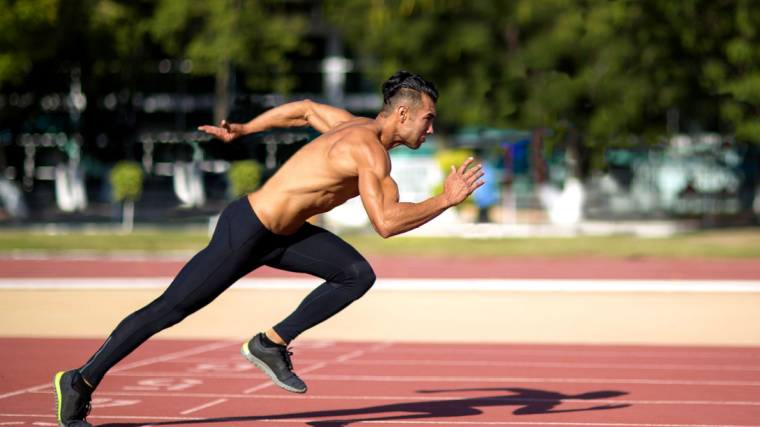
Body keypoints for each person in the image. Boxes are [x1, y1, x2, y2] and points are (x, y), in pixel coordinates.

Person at [53, 71, 484, 427]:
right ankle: (80, 380)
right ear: (403, 113)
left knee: (356, 274)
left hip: (284, 235)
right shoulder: (368, 150)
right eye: (427, 119)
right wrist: (445, 200)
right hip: (247, 230)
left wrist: (246, 128)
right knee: (169, 309)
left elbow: (305, 109)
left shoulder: (351, 125)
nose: (430, 128)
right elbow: (386, 223)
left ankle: (270, 343)